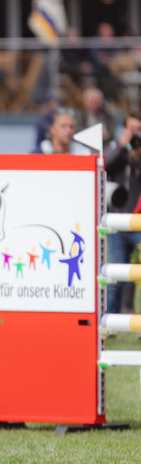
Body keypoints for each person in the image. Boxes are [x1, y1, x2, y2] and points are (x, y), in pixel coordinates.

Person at [104, 111, 141, 313]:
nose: (135, 134)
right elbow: (103, 165)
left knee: (135, 273)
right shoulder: (116, 149)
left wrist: (137, 156)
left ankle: (128, 309)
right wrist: (120, 146)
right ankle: (111, 318)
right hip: (117, 221)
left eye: (138, 129)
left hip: (138, 221)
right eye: (131, 129)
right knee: (116, 275)